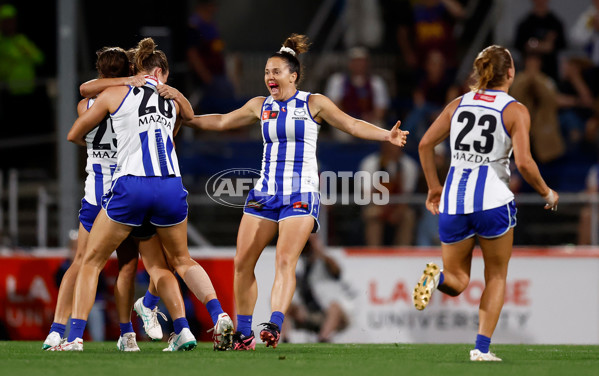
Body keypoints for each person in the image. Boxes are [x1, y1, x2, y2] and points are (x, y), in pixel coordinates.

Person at [184, 33, 408, 350]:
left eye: (275, 72)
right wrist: (185, 118)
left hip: (300, 192)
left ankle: (274, 325)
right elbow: (220, 121)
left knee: (285, 261)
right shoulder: (258, 106)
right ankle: (244, 335)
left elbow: (352, 124)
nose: (269, 78)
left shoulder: (313, 102)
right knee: (242, 263)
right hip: (264, 192)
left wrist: (387, 135)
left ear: (293, 75)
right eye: (266, 72)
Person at [58, 38, 234, 352]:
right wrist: (178, 94)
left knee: (92, 262)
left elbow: (77, 127)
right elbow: (186, 122)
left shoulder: (114, 92)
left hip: (131, 187)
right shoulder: (172, 100)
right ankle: (209, 316)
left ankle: (73, 338)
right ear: (161, 73)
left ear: (135, 70)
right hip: (169, 188)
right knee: (174, 262)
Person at [413, 45, 559, 361]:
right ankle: (480, 350)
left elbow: (425, 144)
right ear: (511, 73)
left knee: (457, 280)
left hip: (454, 202)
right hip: (493, 202)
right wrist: (548, 193)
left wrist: (434, 186)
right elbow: (525, 162)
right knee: (495, 276)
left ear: (481, 72)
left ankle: (435, 277)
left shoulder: (458, 104)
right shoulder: (515, 110)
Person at [43, 47, 146, 352]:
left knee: (81, 262)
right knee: (127, 265)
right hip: (125, 192)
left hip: (95, 191)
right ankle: (127, 335)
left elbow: (81, 122)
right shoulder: (131, 100)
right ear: (127, 69)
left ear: (99, 71)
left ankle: (57, 330)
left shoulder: (85, 105)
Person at [324, 46, 390, 141]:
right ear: (349, 63)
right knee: (342, 135)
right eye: (355, 61)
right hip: (345, 120)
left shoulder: (376, 82)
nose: (358, 65)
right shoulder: (337, 80)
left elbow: (381, 110)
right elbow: (333, 107)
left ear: (367, 63)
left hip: (368, 120)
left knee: (379, 127)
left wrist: (370, 118)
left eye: (361, 61)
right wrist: (349, 121)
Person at [514, 0, 567, 82]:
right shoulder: (524, 24)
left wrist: (534, 46)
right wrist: (544, 45)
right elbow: (520, 46)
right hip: (528, 74)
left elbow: (559, 46)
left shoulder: (556, 23)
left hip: (550, 73)